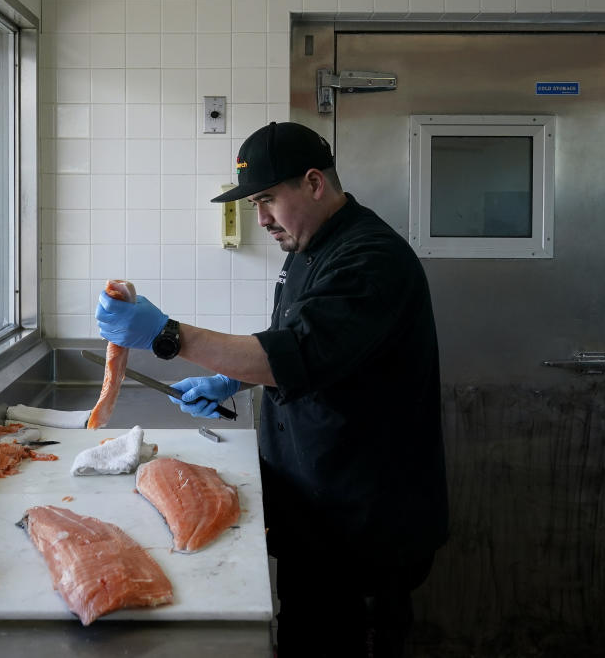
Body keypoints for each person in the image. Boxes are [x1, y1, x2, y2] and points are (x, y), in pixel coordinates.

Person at [96, 121, 448, 657]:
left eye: (266, 200)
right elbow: (302, 340)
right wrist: (232, 376)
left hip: (365, 520)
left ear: (313, 184)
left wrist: (167, 337)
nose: (260, 220)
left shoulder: (369, 259)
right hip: (319, 505)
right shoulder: (309, 243)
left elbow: (296, 355)